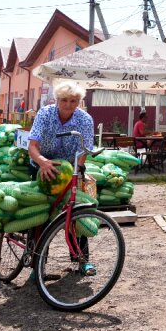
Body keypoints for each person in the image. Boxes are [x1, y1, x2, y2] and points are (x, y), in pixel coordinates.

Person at [27, 81, 97, 276]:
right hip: (43, 165)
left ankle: (82, 260)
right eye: (64, 100)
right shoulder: (45, 114)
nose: (68, 104)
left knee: (75, 212)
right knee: (40, 214)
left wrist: (76, 170)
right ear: (57, 100)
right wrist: (42, 162)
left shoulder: (85, 119)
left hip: (71, 168)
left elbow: (85, 149)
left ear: (79, 102)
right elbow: (32, 146)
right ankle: (36, 264)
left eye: (73, 101)